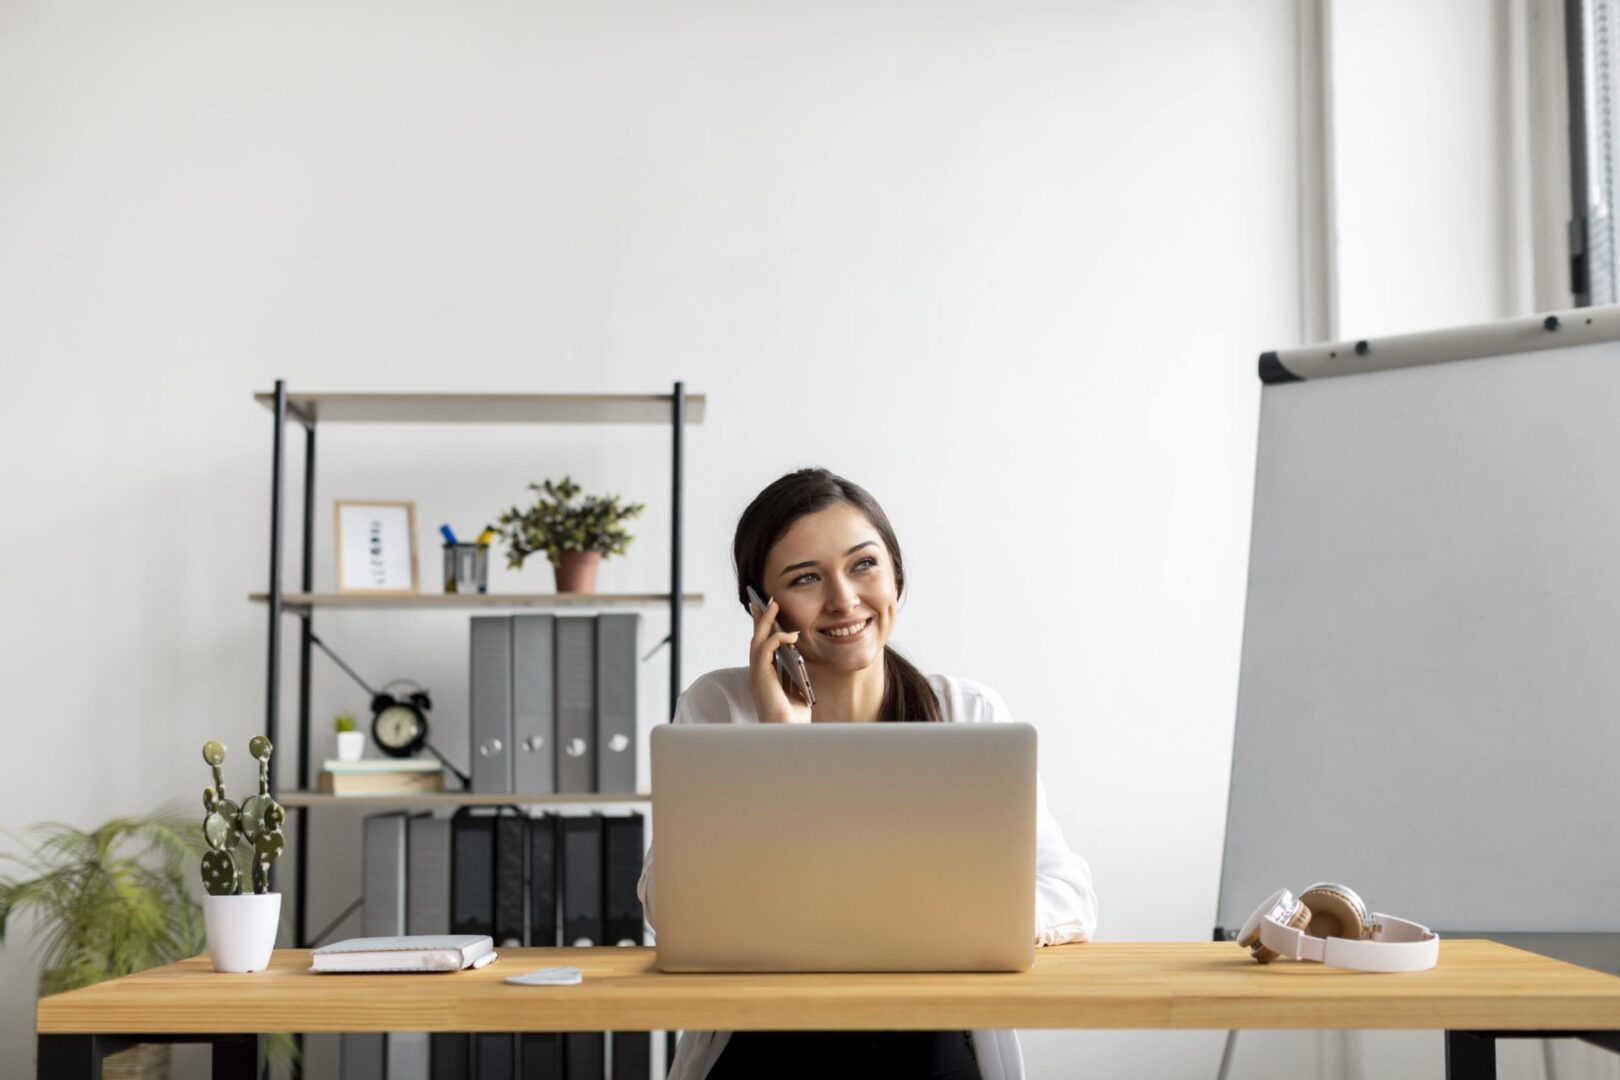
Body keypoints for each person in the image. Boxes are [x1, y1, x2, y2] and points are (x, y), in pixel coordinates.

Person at [638, 467, 1098, 1080]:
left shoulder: (967, 712)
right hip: (770, 1037)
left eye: (863, 565)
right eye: (806, 578)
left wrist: (942, 928)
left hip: (929, 1031)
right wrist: (783, 746)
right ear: (760, 607)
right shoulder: (718, 708)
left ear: (896, 575)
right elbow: (671, 906)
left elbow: (1067, 892)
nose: (844, 600)